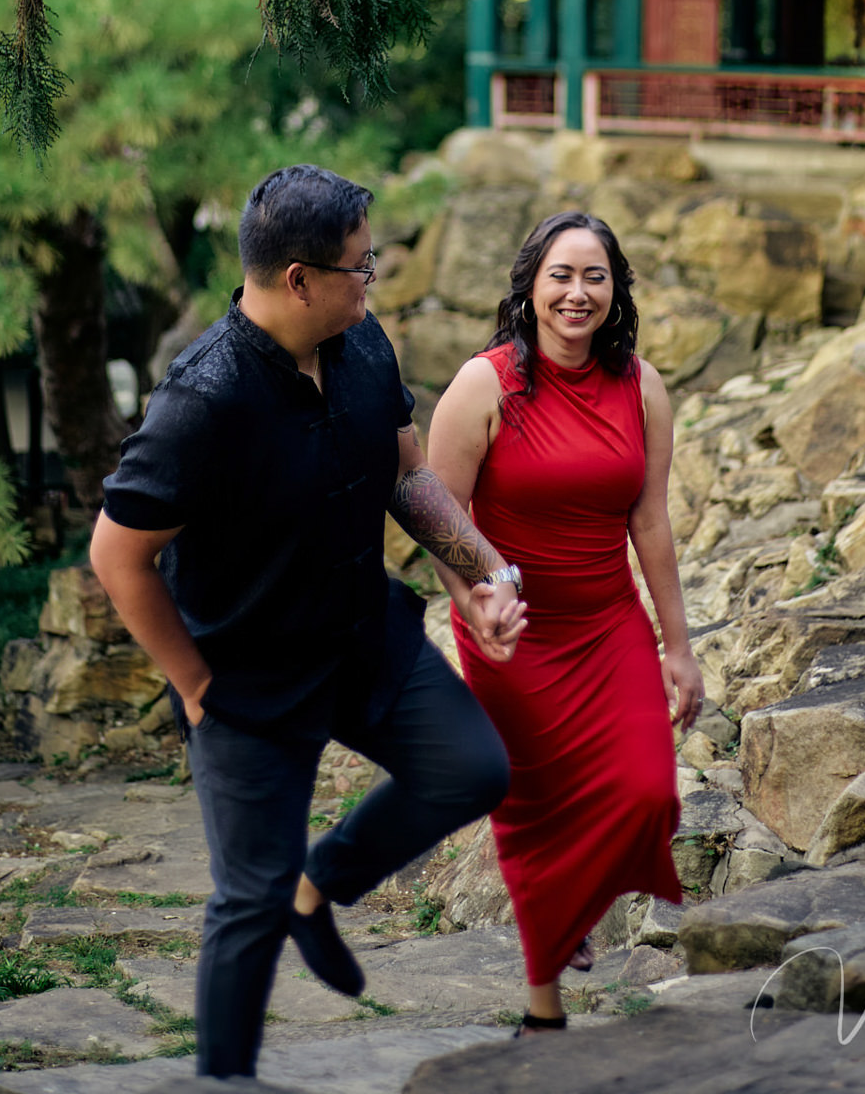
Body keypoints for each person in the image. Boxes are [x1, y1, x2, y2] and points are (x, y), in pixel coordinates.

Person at [90, 164, 526, 1084]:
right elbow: (117, 558)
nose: (375, 281)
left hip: (363, 638)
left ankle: (317, 884)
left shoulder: (363, 346)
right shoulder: (201, 401)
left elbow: (408, 475)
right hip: (245, 679)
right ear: (299, 278)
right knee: (245, 903)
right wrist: (196, 684)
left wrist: (485, 572)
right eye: (362, 267)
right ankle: (226, 1080)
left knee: (473, 768)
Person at [426, 210, 705, 1034]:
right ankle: (543, 1012)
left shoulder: (641, 386)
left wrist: (677, 647)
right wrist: (474, 603)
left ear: (615, 292)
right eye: (561, 276)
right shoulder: (485, 385)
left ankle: (579, 907)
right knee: (536, 818)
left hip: (607, 621)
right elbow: (438, 518)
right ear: (531, 288)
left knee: (650, 794)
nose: (577, 293)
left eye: (595, 277)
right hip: (513, 635)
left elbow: (649, 522)